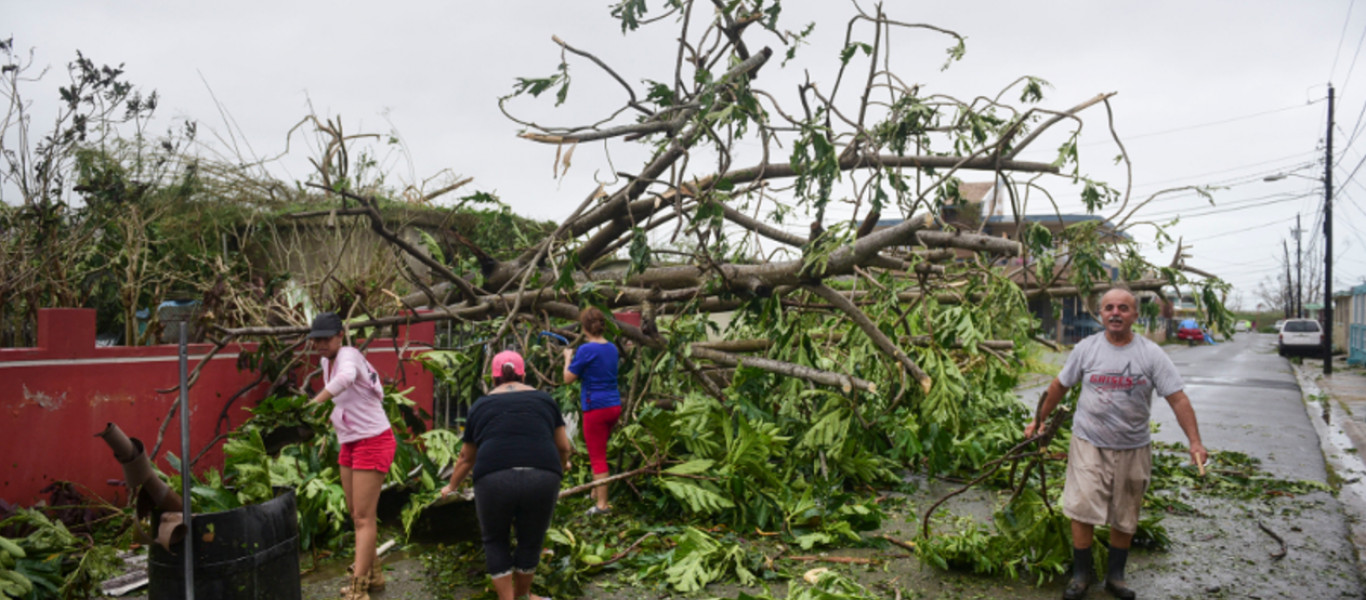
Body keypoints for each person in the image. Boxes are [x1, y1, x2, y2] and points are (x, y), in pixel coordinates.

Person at [1024, 287, 1207, 600]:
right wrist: (1039, 419)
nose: (1115, 313)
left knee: (1126, 511)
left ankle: (1116, 577)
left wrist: (1195, 442)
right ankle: (1081, 575)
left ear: (1135, 315)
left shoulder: (1151, 354)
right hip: (1088, 441)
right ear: (1102, 314)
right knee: (1082, 505)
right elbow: (1060, 386)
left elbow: (1177, 398)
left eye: (1123, 308)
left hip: (1133, 446)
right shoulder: (1086, 349)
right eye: (1109, 308)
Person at [442, 350, 573, 600]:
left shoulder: (480, 406)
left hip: (494, 479)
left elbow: (466, 458)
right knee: (531, 540)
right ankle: (523, 595)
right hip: (542, 476)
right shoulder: (545, 400)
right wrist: (562, 464)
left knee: (495, 540)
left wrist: (451, 486)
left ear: (493, 379)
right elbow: (564, 446)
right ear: (523, 375)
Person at [307, 312, 395, 600]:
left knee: (362, 517)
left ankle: (359, 591)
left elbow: (345, 379)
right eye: (316, 339)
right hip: (350, 442)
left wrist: (313, 403)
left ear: (339, 336)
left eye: (325, 338)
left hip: (373, 439)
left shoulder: (349, 354)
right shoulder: (325, 362)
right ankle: (374, 574)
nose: (320, 344)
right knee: (358, 515)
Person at [562, 307, 623, 515]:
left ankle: (602, 506)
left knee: (597, 457)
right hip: (614, 405)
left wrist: (567, 358)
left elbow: (568, 379)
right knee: (601, 451)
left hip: (595, 408)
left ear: (585, 328)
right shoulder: (612, 348)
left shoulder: (586, 350)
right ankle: (597, 493)